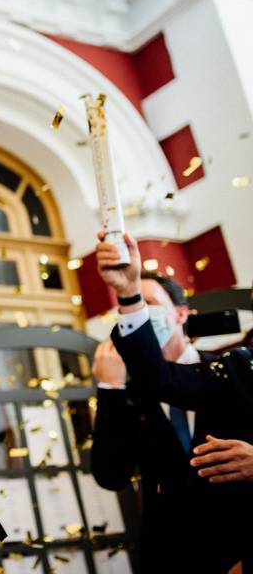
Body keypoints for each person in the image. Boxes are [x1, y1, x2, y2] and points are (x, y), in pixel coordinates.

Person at [92, 231, 251, 572]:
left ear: (181, 314)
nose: (142, 316)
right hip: (173, 554)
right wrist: (110, 389)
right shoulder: (132, 391)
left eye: (152, 305)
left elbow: (162, 378)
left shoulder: (231, 370)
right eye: (132, 310)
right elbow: (110, 474)